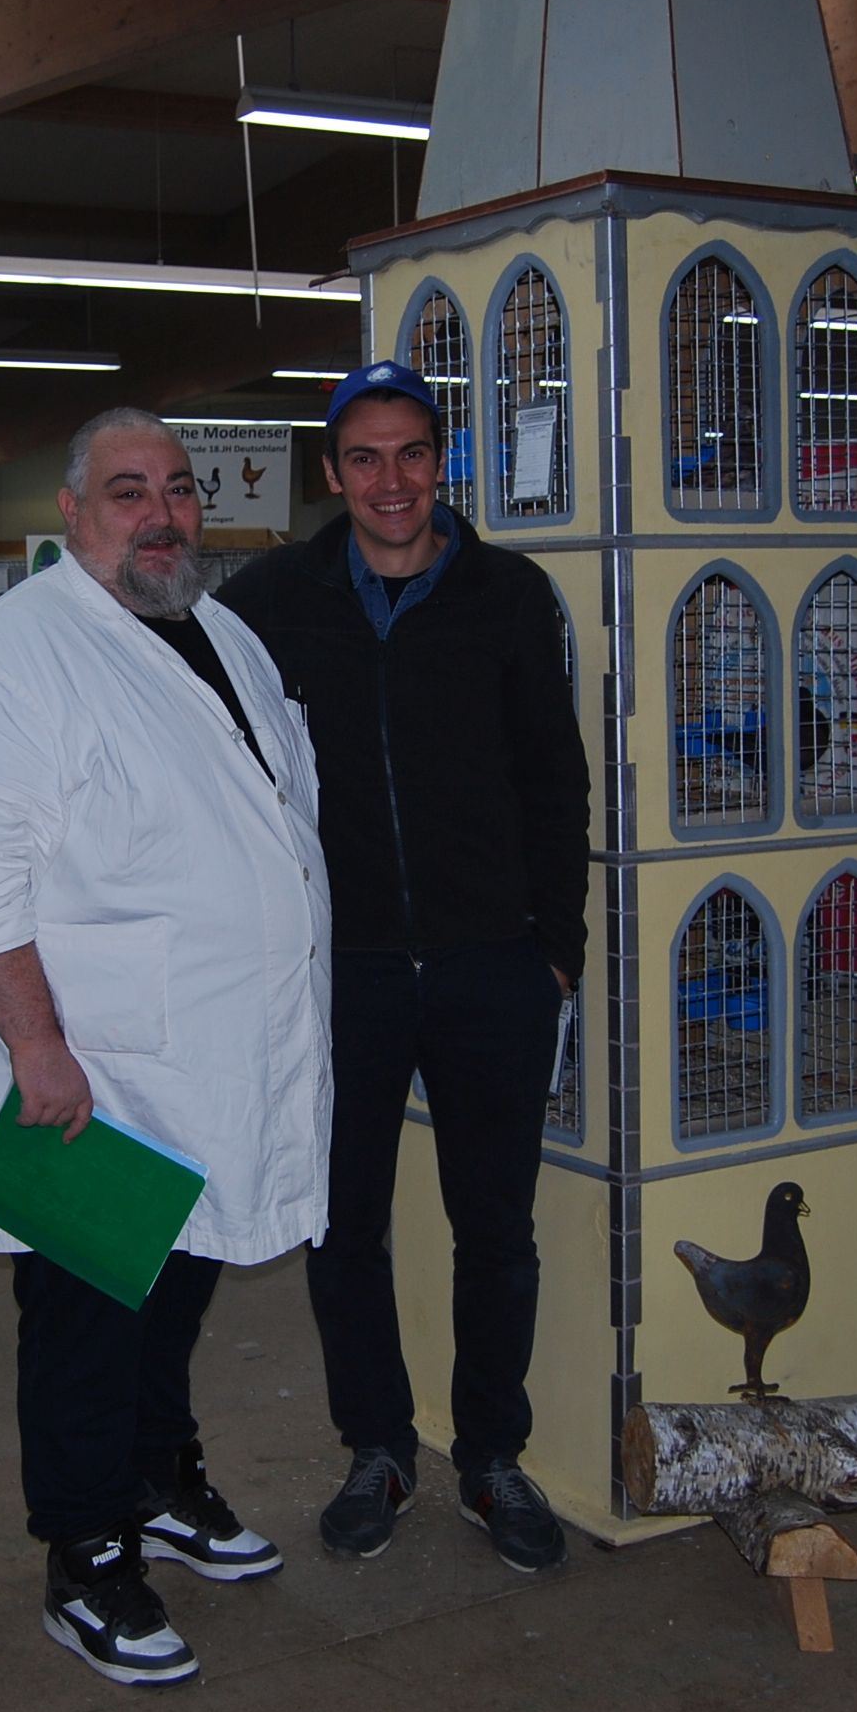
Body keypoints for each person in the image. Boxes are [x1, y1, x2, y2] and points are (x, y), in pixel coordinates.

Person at [0, 409, 331, 1687]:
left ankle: (156, 1476)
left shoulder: (219, 629)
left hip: (214, 1049)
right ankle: (86, 1551)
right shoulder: (14, 655)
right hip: (91, 1063)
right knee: (88, 1308)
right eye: (128, 490)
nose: (161, 513)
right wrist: (36, 1045)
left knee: (180, 1278)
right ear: (73, 509)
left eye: (179, 489)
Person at [218, 359, 590, 1574]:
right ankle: (377, 1447)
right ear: (333, 472)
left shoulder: (507, 593)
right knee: (343, 1229)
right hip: (347, 972)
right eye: (365, 458)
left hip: (492, 965)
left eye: (412, 454)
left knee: (497, 1230)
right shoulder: (269, 599)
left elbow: (555, 776)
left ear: (442, 462)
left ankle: (490, 1455)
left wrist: (557, 952)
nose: (391, 480)